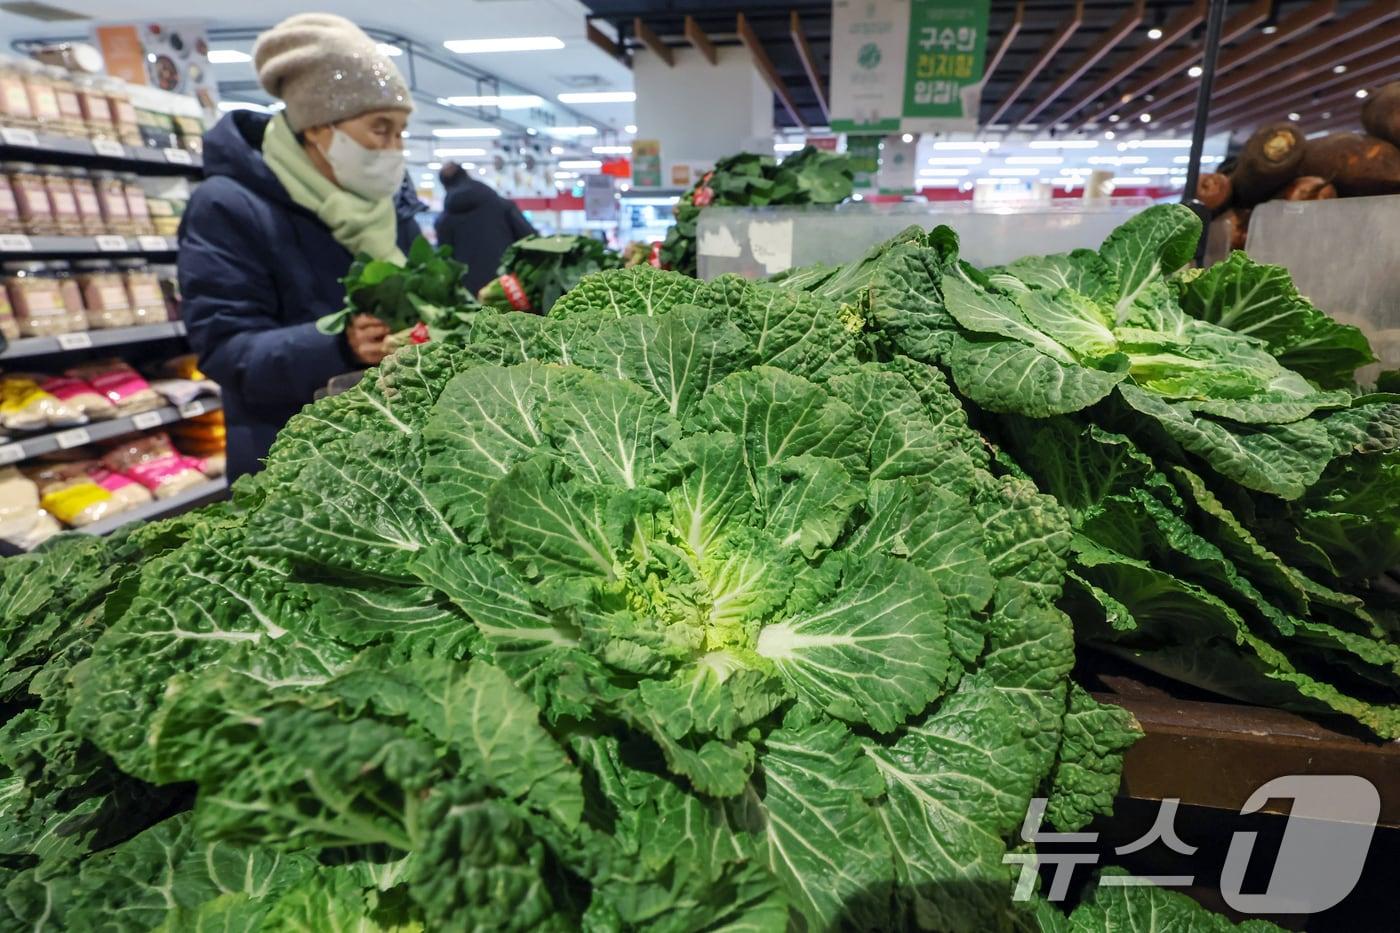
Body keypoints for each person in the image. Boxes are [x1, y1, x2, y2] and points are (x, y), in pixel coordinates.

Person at [178, 13, 420, 480]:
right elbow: (225, 348)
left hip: (390, 450)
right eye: (380, 128)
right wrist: (337, 343)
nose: (394, 149)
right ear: (317, 126)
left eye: (401, 132)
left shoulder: (389, 206)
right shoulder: (228, 206)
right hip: (290, 462)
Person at [435, 161, 537, 294]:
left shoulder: (444, 221)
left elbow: (446, 263)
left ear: (444, 185)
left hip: (470, 296)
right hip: (510, 289)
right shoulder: (502, 206)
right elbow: (531, 240)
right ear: (467, 175)